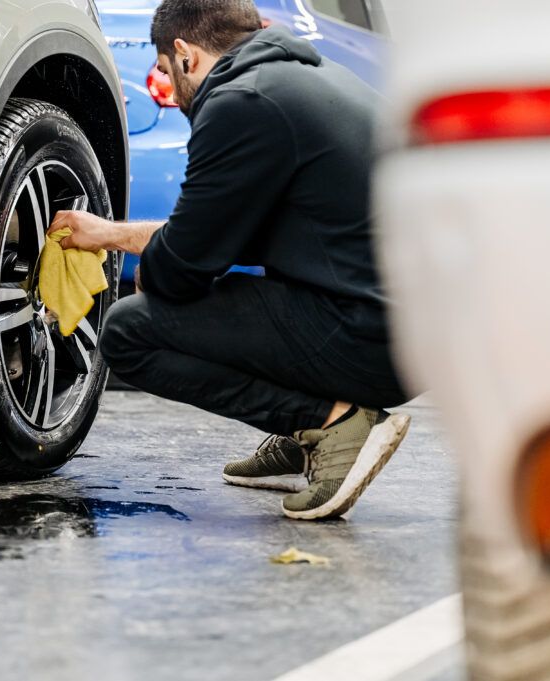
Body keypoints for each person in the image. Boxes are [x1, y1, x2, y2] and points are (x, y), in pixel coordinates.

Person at [47, 0, 410, 520]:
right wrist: (111, 235)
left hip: (372, 336)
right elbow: (231, 236)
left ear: (185, 54)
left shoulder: (241, 101)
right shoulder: (302, 78)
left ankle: (329, 424)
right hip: (415, 334)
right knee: (237, 291)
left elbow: (183, 268)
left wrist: (155, 271)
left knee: (129, 331)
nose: (168, 86)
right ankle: (301, 433)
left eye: (165, 71)